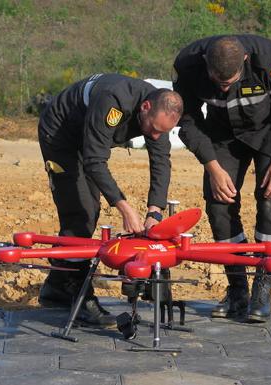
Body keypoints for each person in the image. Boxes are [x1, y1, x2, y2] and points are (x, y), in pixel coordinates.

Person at [173, 35, 271, 322]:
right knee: (219, 204)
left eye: (231, 81)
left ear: (246, 62)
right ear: (206, 65)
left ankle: (263, 286)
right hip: (223, 135)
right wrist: (212, 164)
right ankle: (237, 288)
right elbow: (187, 119)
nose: (224, 87)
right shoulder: (188, 65)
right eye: (218, 82)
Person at [37, 74, 183, 326]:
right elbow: (95, 160)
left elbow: (161, 161)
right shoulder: (113, 101)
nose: (156, 136)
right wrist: (124, 207)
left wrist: (155, 211)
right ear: (145, 107)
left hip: (89, 136)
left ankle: (57, 286)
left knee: (87, 206)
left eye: (163, 132)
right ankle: (78, 296)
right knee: (81, 210)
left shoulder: (160, 113)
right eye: (153, 130)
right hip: (61, 133)